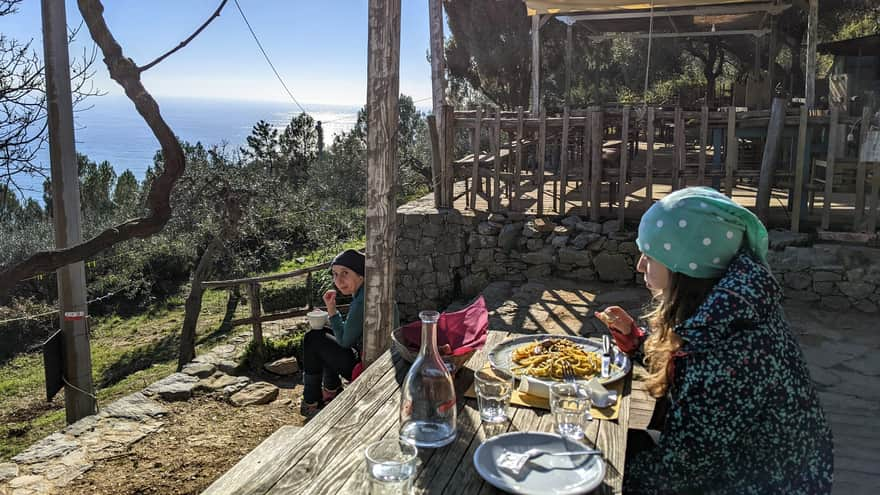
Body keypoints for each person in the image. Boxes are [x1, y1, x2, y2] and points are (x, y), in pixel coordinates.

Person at [594, 187, 833, 494]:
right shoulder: (731, 305)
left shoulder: (728, 354)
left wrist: (598, 463)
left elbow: (680, 473)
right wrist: (638, 342)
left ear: (685, 266)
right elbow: (688, 368)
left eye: (650, 256)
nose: (640, 265)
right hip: (746, 468)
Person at [300, 249, 398, 418]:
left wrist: (331, 310)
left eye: (345, 273)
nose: (338, 280)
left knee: (313, 339)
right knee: (322, 334)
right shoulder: (370, 292)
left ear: (361, 275)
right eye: (335, 274)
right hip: (381, 357)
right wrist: (332, 319)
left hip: (368, 366)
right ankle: (331, 389)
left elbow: (344, 341)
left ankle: (311, 402)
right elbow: (350, 330)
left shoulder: (362, 300)